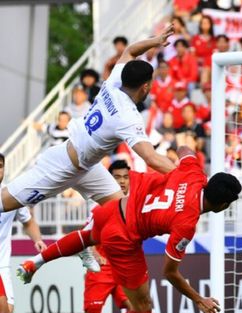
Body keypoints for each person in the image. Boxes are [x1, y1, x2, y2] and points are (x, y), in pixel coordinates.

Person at [17, 146, 242, 313]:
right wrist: (199, 299)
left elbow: (184, 149)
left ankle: (34, 263)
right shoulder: (187, 223)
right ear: (223, 205)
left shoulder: (194, 173)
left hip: (115, 208)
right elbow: (170, 272)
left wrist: (182, 174)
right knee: (142, 307)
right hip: (123, 238)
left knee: (88, 237)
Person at [0, 25, 176, 215]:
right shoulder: (128, 116)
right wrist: (186, 176)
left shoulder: (115, 81)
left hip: (89, 168)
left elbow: (130, 50)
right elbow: (151, 158)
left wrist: (155, 41)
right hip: (63, 166)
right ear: (145, 87)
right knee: (4, 203)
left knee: (124, 215)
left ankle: (96, 244)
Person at [72, 160, 132, 313]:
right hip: (102, 269)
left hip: (124, 269)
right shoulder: (100, 208)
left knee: (139, 311)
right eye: (117, 177)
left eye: (125, 177)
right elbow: (84, 237)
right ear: (109, 180)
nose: (122, 181)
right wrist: (94, 254)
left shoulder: (135, 206)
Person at [0, 154, 46, 313]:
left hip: (2, 268)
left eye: (0, 166)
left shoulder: (10, 196)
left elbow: (28, 221)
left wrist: (38, 240)